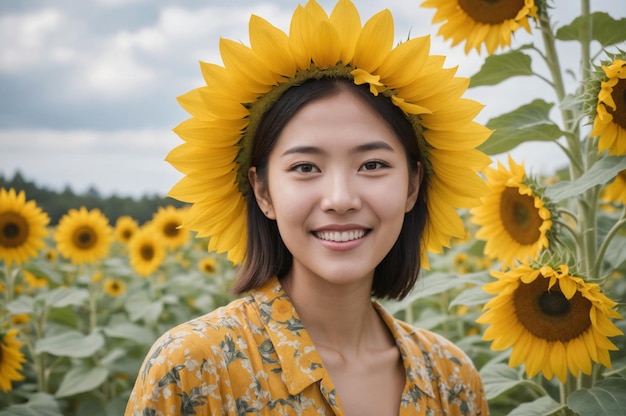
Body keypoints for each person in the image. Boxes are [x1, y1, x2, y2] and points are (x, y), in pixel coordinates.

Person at [125, 1, 492, 415]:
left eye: (372, 165)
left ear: (412, 186)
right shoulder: (196, 368)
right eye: (305, 167)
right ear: (263, 192)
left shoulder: (452, 380)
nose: (340, 199)